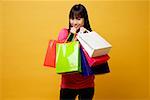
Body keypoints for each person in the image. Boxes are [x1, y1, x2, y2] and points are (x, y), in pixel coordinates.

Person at [57, 4, 95, 100]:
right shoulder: (64, 32)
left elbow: (94, 55)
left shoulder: (89, 34)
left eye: (78, 19)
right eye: (72, 18)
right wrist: (72, 35)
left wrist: (86, 35)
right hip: (68, 84)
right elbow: (63, 54)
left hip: (87, 83)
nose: (74, 22)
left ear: (84, 19)